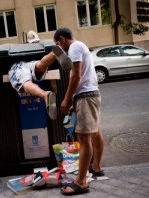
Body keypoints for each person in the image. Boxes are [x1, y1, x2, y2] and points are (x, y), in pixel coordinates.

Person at [53, 27, 104, 195]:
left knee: (83, 139)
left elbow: (76, 76)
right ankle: (96, 166)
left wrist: (67, 99)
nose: (59, 49)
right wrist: (76, 100)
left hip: (86, 96)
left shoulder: (74, 47)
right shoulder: (81, 46)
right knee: (95, 132)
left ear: (62, 39)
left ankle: (81, 182)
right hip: (89, 95)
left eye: (58, 45)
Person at [8, 47, 72, 120]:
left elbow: (25, 84)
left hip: (17, 66)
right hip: (31, 62)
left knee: (25, 84)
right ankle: (53, 54)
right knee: (41, 65)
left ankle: (45, 95)